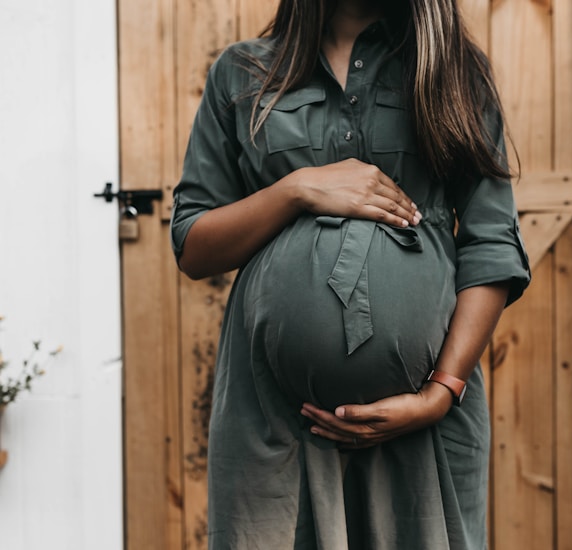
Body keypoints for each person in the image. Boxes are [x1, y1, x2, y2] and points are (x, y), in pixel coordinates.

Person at [171, 0, 530, 548]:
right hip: (273, 422)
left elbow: (491, 244)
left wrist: (440, 392)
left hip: (425, 422)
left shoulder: (454, 71)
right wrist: (296, 190)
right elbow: (194, 246)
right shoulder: (241, 73)